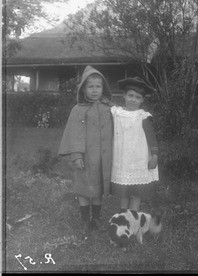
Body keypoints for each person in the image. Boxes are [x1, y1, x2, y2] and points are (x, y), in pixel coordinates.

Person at [58, 66, 113, 234]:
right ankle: (84, 220)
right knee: (83, 188)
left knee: (98, 189)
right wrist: (76, 155)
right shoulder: (78, 110)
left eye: (98, 86)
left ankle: (95, 218)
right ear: (83, 89)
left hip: (102, 158)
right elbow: (74, 134)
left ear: (103, 88)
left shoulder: (109, 108)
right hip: (84, 157)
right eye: (90, 86)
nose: (95, 90)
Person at [110, 77, 159, 212]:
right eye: (130, 95)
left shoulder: (142, 116)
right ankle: (123, 213)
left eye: (137, 97)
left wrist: (154, 155)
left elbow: (151, 136)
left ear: (142, 100)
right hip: (122, 157)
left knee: (137, 189)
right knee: (125, 187)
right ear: (124, 96)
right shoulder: (117, 113)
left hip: (139, 157)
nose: (133, 99)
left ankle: (134, 214)